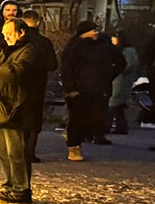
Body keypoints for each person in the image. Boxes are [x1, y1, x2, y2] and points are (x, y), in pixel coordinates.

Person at [0, 19, 45, 204]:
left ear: (21, 33)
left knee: (16, 152)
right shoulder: (6, 51)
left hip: (17, 109)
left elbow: (12, 73)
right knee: (3, 152)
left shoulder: (29, 52)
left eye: (10, 33)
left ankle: (21, 189)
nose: (6, 37)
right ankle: (10, 185)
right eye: (4, 34)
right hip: (3, 108)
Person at [60, 21, 126, 161]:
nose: (95, 32)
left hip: (99, 88)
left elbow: (121, 63)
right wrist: (70, 88)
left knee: (96, 118)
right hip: (78, 90)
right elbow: (66, 69)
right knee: (77, 119)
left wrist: (108, 75)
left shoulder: (106, 46)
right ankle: (74, 147)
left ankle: (83, 136)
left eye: (96, 30)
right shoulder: (74, 47)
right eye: (92, 30)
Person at [20, 9, 58, 164]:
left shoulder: (18, 40)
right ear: (37, 22)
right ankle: (30, 151)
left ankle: (16, 150)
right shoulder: (44, 42)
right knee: (34, 118)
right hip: (37, 84)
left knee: (18, 116)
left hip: (19, 82)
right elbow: (53, 65)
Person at [107, 31, 140, 134]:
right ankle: (121, 127)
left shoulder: (127, 51)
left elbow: (131, 64)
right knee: (118, 106)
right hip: (119, 80)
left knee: (113, 104)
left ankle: (106, 126)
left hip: (121, 81)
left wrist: (117, 69)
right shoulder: (125, 50)